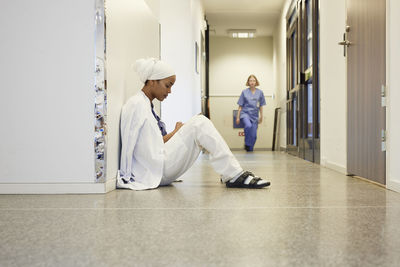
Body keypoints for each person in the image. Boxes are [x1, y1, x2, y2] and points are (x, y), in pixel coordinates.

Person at [117, 58, 270, 191]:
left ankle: (231, 173)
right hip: (156, 170)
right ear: (152, 81)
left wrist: (176, 132)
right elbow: (129, 143)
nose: (169, 91)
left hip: (159, 165)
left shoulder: (146, 105)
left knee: (199, 121)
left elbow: (153, 142)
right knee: (200, 122)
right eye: (167, 85)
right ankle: (234, 174)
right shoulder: (136, 104)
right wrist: (127, 175)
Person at [235, 75, 266, 152]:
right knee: (248, 126)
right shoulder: (244, 92)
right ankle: (247, 144)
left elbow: (261, 106)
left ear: (256, 82)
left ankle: (249, 149)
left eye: (253, 81)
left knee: (254, 136)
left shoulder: (260, 93)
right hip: (245, 114)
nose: (252, 82)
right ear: (248, 82)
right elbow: (240, 106)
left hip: (255, 116)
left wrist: (261, 116)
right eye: (250, 81)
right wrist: (238, 117)